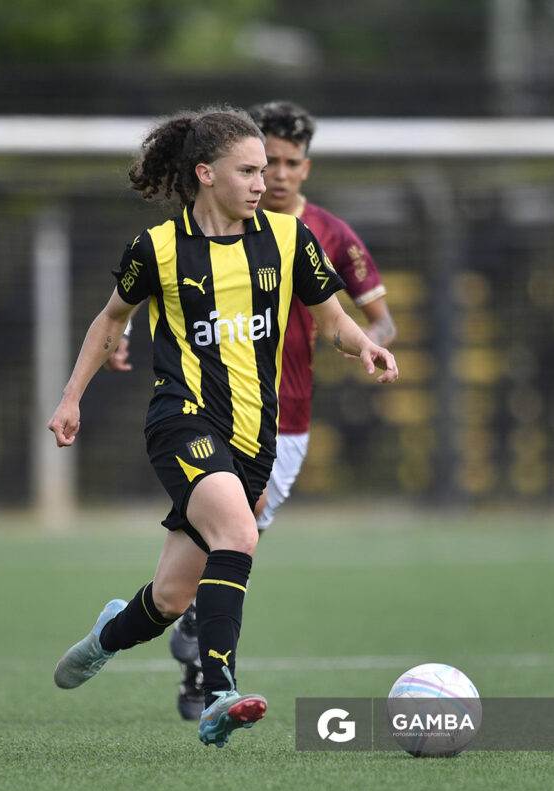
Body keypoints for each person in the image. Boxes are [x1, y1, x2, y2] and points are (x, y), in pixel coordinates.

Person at [48, 105, 399, 749]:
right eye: (249, 170)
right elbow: (109, 320)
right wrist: (72, 397)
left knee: (172, 598)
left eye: (267, 169)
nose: (263, 182)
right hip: (181, 420)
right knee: (240, 532)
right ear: (206, 173)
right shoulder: (155, 248)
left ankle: (106, 638)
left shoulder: (289, 240)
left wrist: (364, 346)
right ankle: (219, 694)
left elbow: (333, 321)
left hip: (254, 437)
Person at [164, 100, 397, 720]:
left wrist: (363, 342)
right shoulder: (209, 228)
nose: (279, 176)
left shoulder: (326, 235)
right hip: (214, 410)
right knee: (236, 533)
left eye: (291, 164)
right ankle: (203, 665)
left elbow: (379, 317)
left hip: (286, 417)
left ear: (305, 167)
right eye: (269, 162)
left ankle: (185, 628)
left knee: (238, 537)